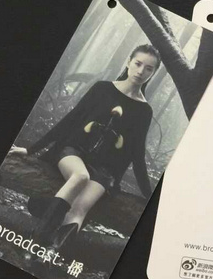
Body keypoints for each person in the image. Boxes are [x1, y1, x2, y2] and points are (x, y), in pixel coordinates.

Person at [9, 44, 160, 250]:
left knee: (79, 209)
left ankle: (48, 254)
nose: (141, 71)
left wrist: (149, 195)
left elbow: (137, 153)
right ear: (129, 62)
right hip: (74, 151)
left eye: (149, 68)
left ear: (153, 72)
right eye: (138, 63)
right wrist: (30, 149)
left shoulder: (144, 111)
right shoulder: (102, 89)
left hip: (105, 168)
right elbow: (71, 120)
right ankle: (36, 242)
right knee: (80, 176)